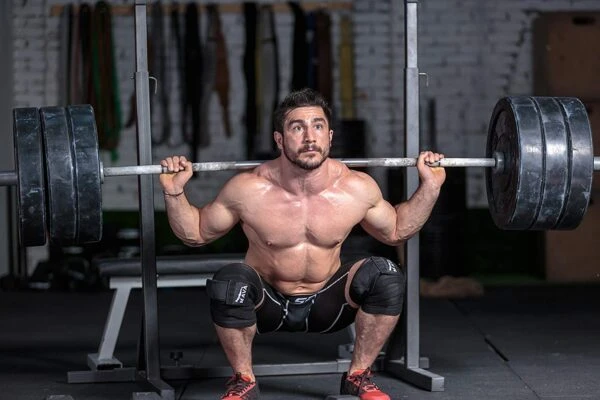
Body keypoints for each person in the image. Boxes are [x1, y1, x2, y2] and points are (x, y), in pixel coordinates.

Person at [159, 88, 445, 400]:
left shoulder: (356, 188)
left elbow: (397, 231)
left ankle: (358, 375)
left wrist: (430, 187)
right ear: (279, 140)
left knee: (386, 275)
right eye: (297, 127)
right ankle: (244, 380)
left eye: (318, 126)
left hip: (329, 304)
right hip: (266, 304)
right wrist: (174, 192)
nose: (310, 137)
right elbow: (196, 233)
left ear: (330, 136)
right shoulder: (248, 189)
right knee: (230, 281)